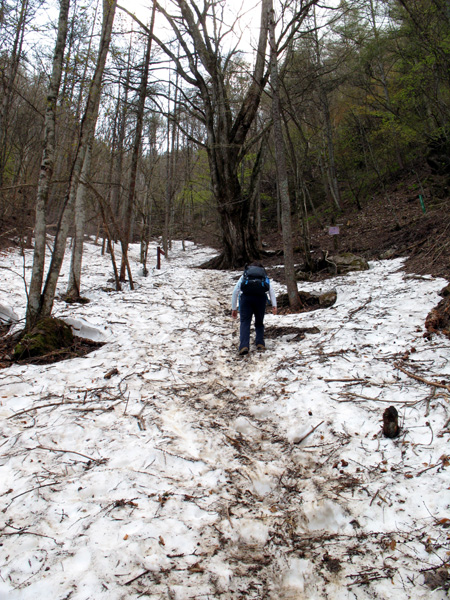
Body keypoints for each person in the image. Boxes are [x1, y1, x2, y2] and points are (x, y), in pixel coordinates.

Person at [231, 262, 277, 355]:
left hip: (246, 299)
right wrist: (274, 305)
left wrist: (234, 308)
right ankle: (260, 343)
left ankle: (244, 345)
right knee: (259, 322)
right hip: (260, 299)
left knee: (245, 322)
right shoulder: (263, 275)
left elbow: (236, 291)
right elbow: (270, 290)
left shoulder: (245, 275)